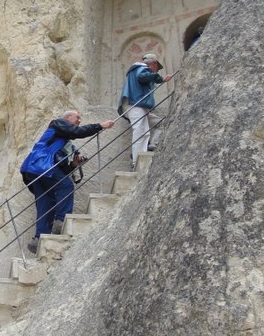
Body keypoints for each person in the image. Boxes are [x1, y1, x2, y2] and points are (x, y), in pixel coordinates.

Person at [20, 110, 114, 250]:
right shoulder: (58, 123)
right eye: (77, 117)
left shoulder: (63, 141)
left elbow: (61, 169)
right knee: (66, 186)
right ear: (68, 118)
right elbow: (77, 132)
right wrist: (100, 126)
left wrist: (73, 165)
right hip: (41, 165)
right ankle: (60, 220)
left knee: (46, 203)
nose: (79, 120)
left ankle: (39, 239)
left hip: (34, 168)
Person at [118, 53, 172, 165]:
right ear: (154, 64)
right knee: (140, 131)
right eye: (157, 68)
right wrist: (161, 79)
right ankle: (136, 160)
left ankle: (152, 144)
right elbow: (142, 76)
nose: (157, 70)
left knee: (162, 123)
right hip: (135, 104)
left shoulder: (139, 69)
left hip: (139, 105)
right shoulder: (142, 68)